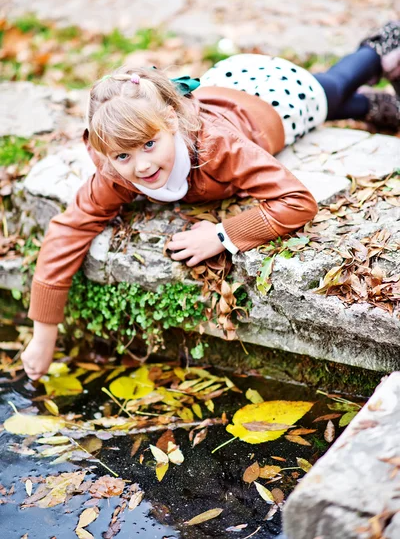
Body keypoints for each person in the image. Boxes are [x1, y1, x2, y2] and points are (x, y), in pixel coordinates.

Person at [21, 21, 400, 380]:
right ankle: (371, 106)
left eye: (149, 145)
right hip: (222, 91)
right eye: (123, 155)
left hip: (273, 98)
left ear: (171, 121)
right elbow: (70, 228)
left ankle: (379, 49)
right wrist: (44, 334)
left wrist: (221, 235)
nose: (141, 165)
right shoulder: (117, 169)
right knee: (333, 102)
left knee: (327, 90)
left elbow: (297, 201)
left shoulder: (219, 146)